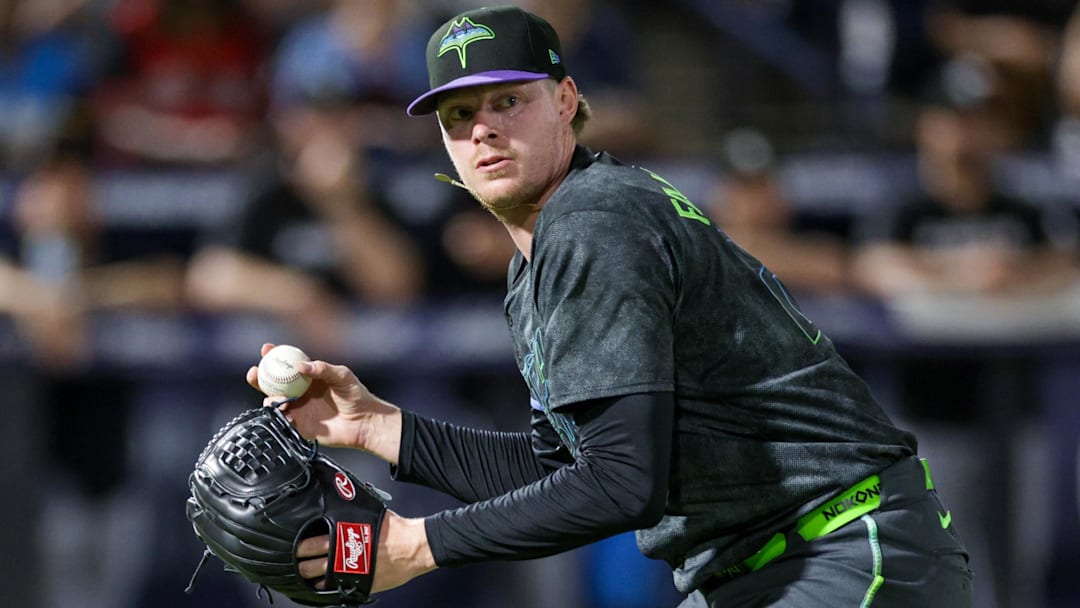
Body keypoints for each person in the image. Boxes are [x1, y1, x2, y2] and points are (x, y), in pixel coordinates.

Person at [247, 7, 973, 607]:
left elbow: (621, 486)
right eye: (460, 113)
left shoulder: (595, 220)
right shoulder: (540, 258)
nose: (484, 129)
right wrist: (378, 426)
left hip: (841, 548)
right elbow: (566, 472)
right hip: (769, 567)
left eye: (509, 100)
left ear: (566, 101)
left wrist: (418, 546)